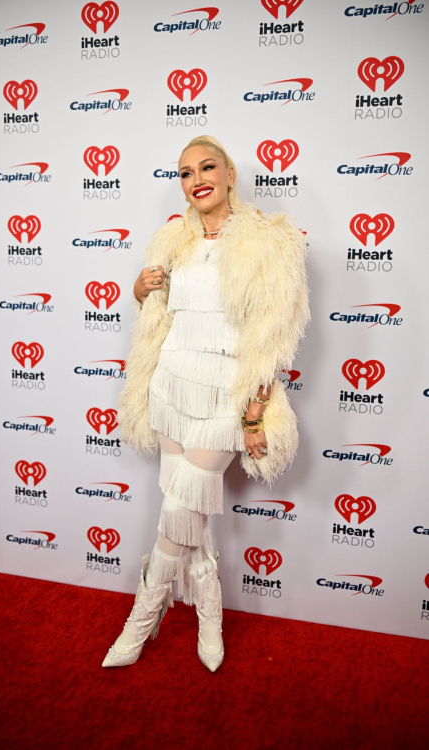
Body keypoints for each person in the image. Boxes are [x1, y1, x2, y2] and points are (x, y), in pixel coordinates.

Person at [102, 135, 310, 672]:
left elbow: (274, 339)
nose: (197, 179)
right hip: (172, 383)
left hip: (225, 392)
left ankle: (141, 618)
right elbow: (161, 314)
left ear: (230, 173)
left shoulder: (270, 242)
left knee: (180, 505)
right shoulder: (174, 239)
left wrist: (255, 412)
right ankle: (209, 612)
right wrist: (140, 290)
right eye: (185, 172)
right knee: (188, 508)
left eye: (207, 167)